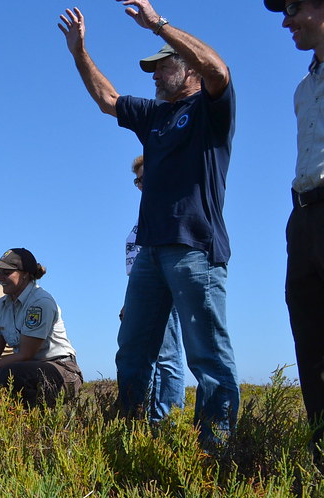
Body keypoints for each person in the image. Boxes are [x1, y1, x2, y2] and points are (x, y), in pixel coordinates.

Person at [59, 1, 239, 446]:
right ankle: (130, 441)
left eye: (162, 67)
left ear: (187, 67)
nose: (154, 76)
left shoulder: (210, 110)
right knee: (134, 353)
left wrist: (157, 25)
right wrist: (79, 51)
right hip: (150, 254)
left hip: (194, 249)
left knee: (207, 356)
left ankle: (214, 453)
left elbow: (219, 71)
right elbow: (107, 99)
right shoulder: (155, 117)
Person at [265, 0, 324, 469]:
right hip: (303, 219)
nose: (286, 21)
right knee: (311, 346)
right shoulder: (304, 88)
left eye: (294, 7)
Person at [0, 249, 83, 406]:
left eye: (7, 273)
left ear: (25, 274)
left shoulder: (40, 303)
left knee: (12, 374)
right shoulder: (1, 306)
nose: (0, 278)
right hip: (30, 367)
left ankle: (31, 426)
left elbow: (25, 354)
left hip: (62, 370)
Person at [126, 154, 185, 421]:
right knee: (141, 353)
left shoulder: (170, 210)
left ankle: (167, 422)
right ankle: (141, 418)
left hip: (164, 290)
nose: (142, 185)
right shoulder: (145, 218)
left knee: (167, 355)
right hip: (141, 293)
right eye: (138, 181)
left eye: (145, 178)